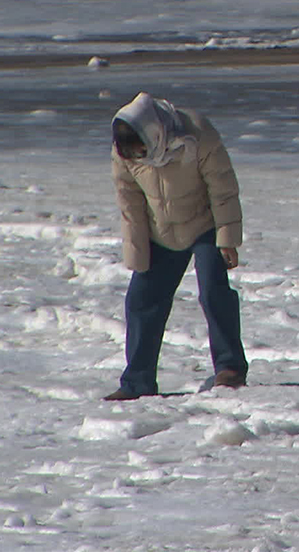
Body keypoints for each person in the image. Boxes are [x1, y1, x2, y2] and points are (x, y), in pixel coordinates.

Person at [105, 92, 247, 401]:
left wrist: (227, 240)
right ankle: (137, 383)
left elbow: (223, 188)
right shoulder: (124, 154)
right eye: (133, 154)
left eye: (142, 149)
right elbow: (130, 207)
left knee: (213, 291)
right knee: (141, 301)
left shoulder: (195, 133)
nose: (139, 156)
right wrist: (138, 256)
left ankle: (230, 368)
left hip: (204, 223)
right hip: (161, 231)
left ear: (153, 133)